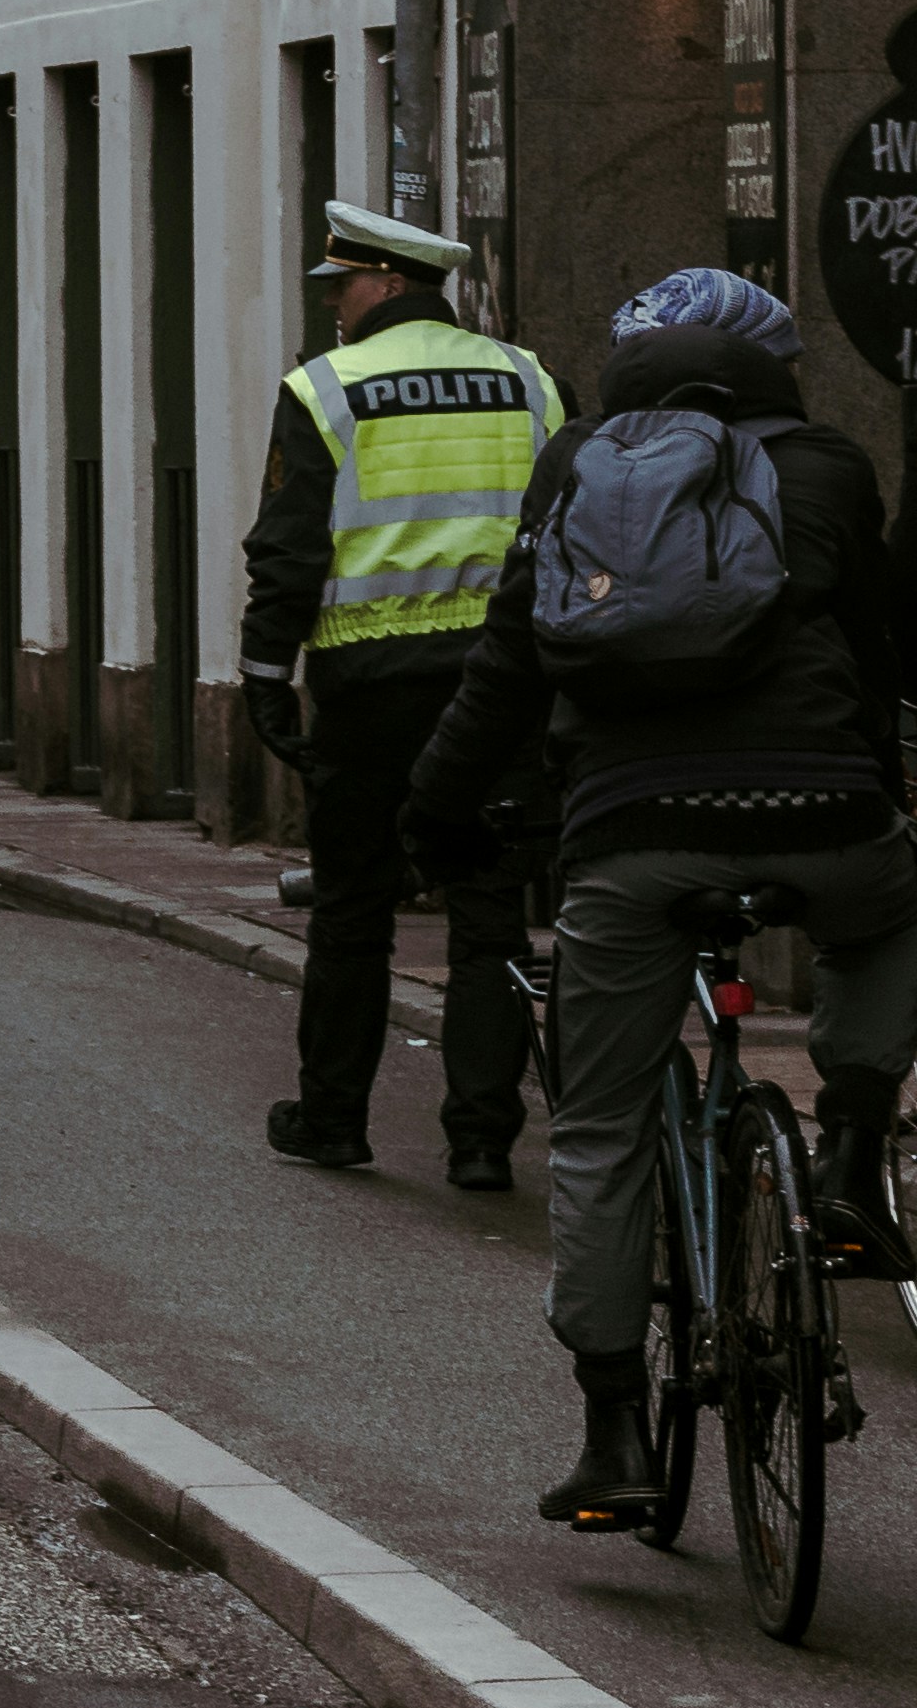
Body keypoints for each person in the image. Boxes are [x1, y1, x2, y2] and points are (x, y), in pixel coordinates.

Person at [398, 265, 913, 1527]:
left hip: (631, 839)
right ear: (775, 372)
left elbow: (507, 664)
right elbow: (885, 649)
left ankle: (615, 1430)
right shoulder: (833, 468)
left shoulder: (575, 466)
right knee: (891, 916)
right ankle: (848, 1145)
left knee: (598, 1129)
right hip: (826, 814)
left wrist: (434, 815)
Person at [242, 201, 562, 1181]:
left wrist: (265, 676)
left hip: (371, 691)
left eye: (340, 287)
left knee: (351, 911)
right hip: (504, 689)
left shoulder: (325, 388)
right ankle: (481, 1142)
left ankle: (334, 1120)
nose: (334, 306)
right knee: (489, 914)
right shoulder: (530, 379)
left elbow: (290, 551)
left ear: (382, 282)